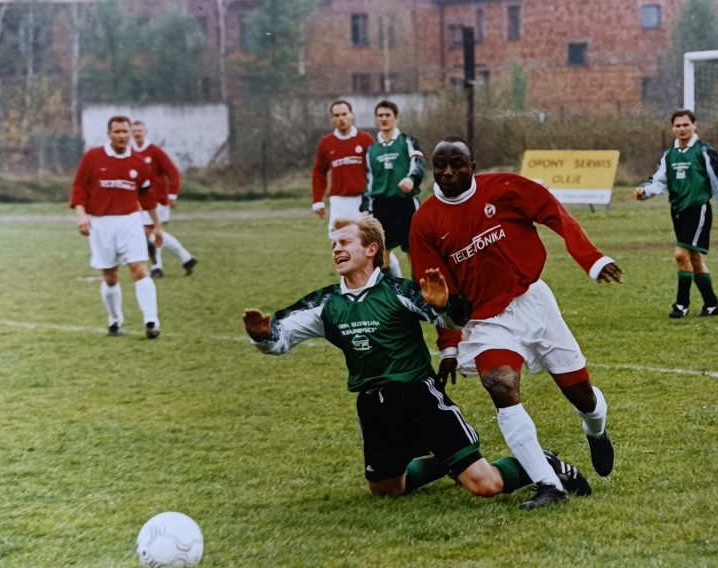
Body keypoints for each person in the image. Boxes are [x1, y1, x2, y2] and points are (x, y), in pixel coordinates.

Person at [243, 217, 591, 509]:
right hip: (374, 405)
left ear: (371, 249)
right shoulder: (326, 302)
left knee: (485, 486)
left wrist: (441, 306)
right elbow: (280, 336)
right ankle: (444, 461)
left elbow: (453, 321)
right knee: (386, 490)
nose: (336, 249)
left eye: (345, 242)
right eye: (334, 245)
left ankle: (539, 463)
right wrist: (262, 335)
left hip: (419, 396)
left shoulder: (398, 290)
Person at [409, 137, 624, 508]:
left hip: (534, 302)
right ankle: (549, 484)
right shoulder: (425, 221)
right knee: (500, 384)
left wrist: (592, 260)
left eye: (456, 164)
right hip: (487, 321)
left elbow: (556, 213)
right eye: (439, 165)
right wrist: (449, 340)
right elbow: (436, 292)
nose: (447, 172)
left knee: (584, 397)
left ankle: (596, 429)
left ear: (473, 166)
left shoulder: (506, 188)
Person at [635, 109, 718, 319]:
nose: (682, 129)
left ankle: (681, 305)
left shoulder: (704, 151)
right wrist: (644, 192)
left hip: (697, 208)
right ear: (673, 128)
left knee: (681, 254)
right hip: (678, 209)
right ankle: (711, 304)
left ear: (694, 125)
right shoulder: (669, 155)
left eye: (685, 125)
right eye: (678, 126)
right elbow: (659, 181)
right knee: (694, 258)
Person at [70, 115, 162, 339]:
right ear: (109, 134)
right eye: (117, 132)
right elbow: (79, 188)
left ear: (131, 133)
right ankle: (114, 320)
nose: (122, 135)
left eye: (125, 131)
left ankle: (152, 320)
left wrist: (157, 226)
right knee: (110, 276)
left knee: (139, 269)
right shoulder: (93, 157)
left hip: (130, 221)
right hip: (100, 223)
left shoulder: (139, 163)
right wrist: (81, 215)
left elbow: (147, 196)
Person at [362, 100, 424, 277]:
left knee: (414, 254)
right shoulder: (371, 151)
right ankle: (391, 300)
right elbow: (368, 181)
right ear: (376, 119)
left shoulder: (408, 141)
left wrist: (411, 179)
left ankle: (419, 298)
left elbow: (418, 163)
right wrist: (366, 208)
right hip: (382, 206)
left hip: (406, 205)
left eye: (387, 115)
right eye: (380, 115)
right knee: (381, 258)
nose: (384, 119)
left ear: (396, 118)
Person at [130, 120, 198, 278]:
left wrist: (172, 195)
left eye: (140, 130)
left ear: (145, 132)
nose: (137, 133)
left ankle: (157, 267)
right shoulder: (131, 153)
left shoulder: (155, 151)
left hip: (158, 201)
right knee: (152, 235)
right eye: (134, 131)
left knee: (151, 234)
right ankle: (186, 258)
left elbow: (173, 172)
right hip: (142, 202)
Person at [311, 100, 375, 236]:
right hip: (339, 202)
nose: (341, 118)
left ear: (352, 115)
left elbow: (376, 170)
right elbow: (319, 171)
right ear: (332, 118)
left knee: (373, 244)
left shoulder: (366, 140)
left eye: (344, 114)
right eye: (337, 115)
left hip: (363, 200)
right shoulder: (326, 143)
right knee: (339, 243)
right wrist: (317, 200)